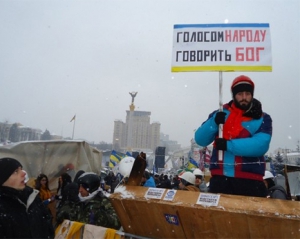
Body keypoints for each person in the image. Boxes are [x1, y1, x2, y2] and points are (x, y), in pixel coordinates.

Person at [194, 75, 272, 197]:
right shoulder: (220, 113)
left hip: (250, 181)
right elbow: (200, 139)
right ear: (234, 95)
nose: (244, 98)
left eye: (247, 93)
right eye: (240, 94)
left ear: (252, 94)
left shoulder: (262, 118)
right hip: (220, 180)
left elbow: (261, 145)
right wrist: (214, 122)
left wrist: (228, 145)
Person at [0, 157, 54, 238]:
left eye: (21, 169)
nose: (24, 173)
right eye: (16, 172)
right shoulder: (2, 207)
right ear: (3, 179)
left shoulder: (33, 196)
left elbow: (47, 220)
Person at [56, 172, 121, 230]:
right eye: (79, 186)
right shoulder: (78, 200)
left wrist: (100, 216)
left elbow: (116, 223)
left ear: (91, 188)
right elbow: (71, 218)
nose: (80, 190)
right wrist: (65, 211)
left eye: (83, 187)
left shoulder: (103, 202)